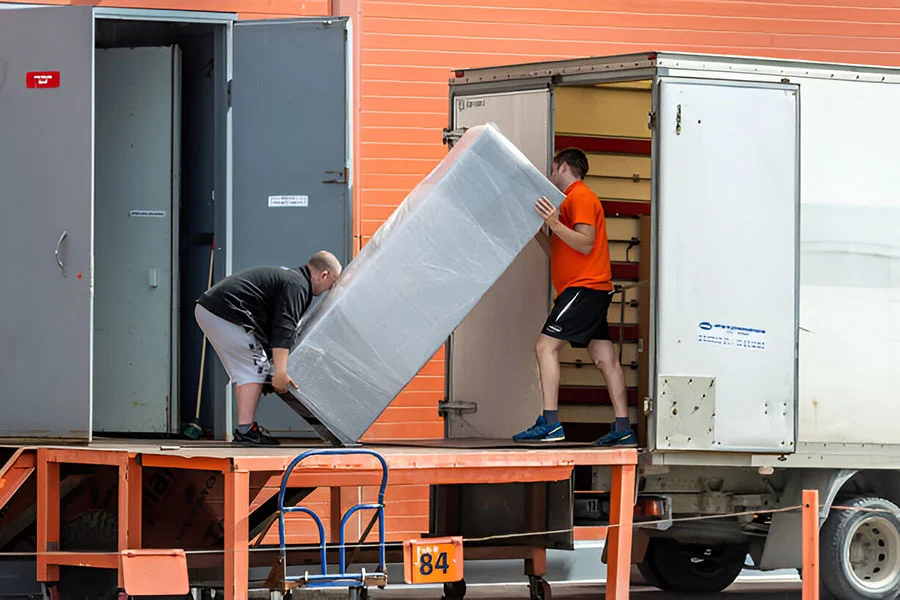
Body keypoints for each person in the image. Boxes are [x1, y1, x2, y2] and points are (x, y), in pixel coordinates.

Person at [513, 148, 636, 447]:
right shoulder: (567, 202)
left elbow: (585, 243)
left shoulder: (579, 197)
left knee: (545, 347)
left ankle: (550, 423)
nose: (550, 174)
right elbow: (558, 249)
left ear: (563, 166)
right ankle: (623, 428)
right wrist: (538, 231)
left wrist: (554, 223)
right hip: (589, 289)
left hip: (584, 288)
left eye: (552, 168)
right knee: (605, 358)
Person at [194, 251, 342, 445]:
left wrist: (268, 376)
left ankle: (246, 429)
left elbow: (271, 329)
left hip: (213, 309)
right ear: (324, 275)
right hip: (224, 312)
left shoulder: (293, 279)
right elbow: (283, 328)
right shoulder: (297, 285)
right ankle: (246, 431)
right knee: (252, 369)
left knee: (251, 369)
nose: (328, 290)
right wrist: (280, 372)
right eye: (332, 284)